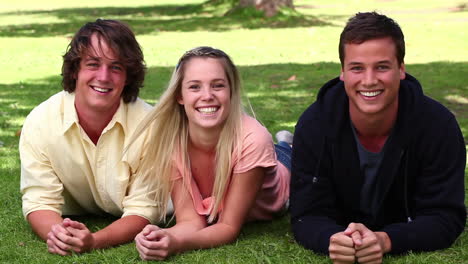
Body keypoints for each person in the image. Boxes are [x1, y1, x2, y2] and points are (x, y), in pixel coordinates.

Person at [290, 12, 466, 263]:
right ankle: (284, 149)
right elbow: (305, 215)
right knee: (279, 175)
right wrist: (332, 239)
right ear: (342, 72)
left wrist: (386, 239)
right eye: (357, 68)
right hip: (304, 157)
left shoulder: (438, 125)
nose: (369, 81)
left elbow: (446, 217)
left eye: (382, 67)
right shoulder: (314, 124)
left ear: (401, 69)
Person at [132, 46, 292, 260]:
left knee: (287, 154)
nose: (207, 96)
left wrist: (177, 244)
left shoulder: (253, 139)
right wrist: (162, 236)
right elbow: (191, 221)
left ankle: (287, 144)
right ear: (180, 95)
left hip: (283, 174)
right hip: (255, 153)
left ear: (231, 91)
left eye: (218, 86)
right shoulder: (170, 139)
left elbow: (227, 226)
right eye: (194, 87)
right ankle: (284, 142)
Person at [19, 19, 163, 255]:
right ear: (75, 69)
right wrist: (60, 236)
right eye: (93, 64)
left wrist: (95, 241)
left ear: (128, 76)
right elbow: (40, 199)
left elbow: (145, 208)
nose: (104, 77)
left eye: (116, 67)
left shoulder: (151, 125)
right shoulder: (41, 122)